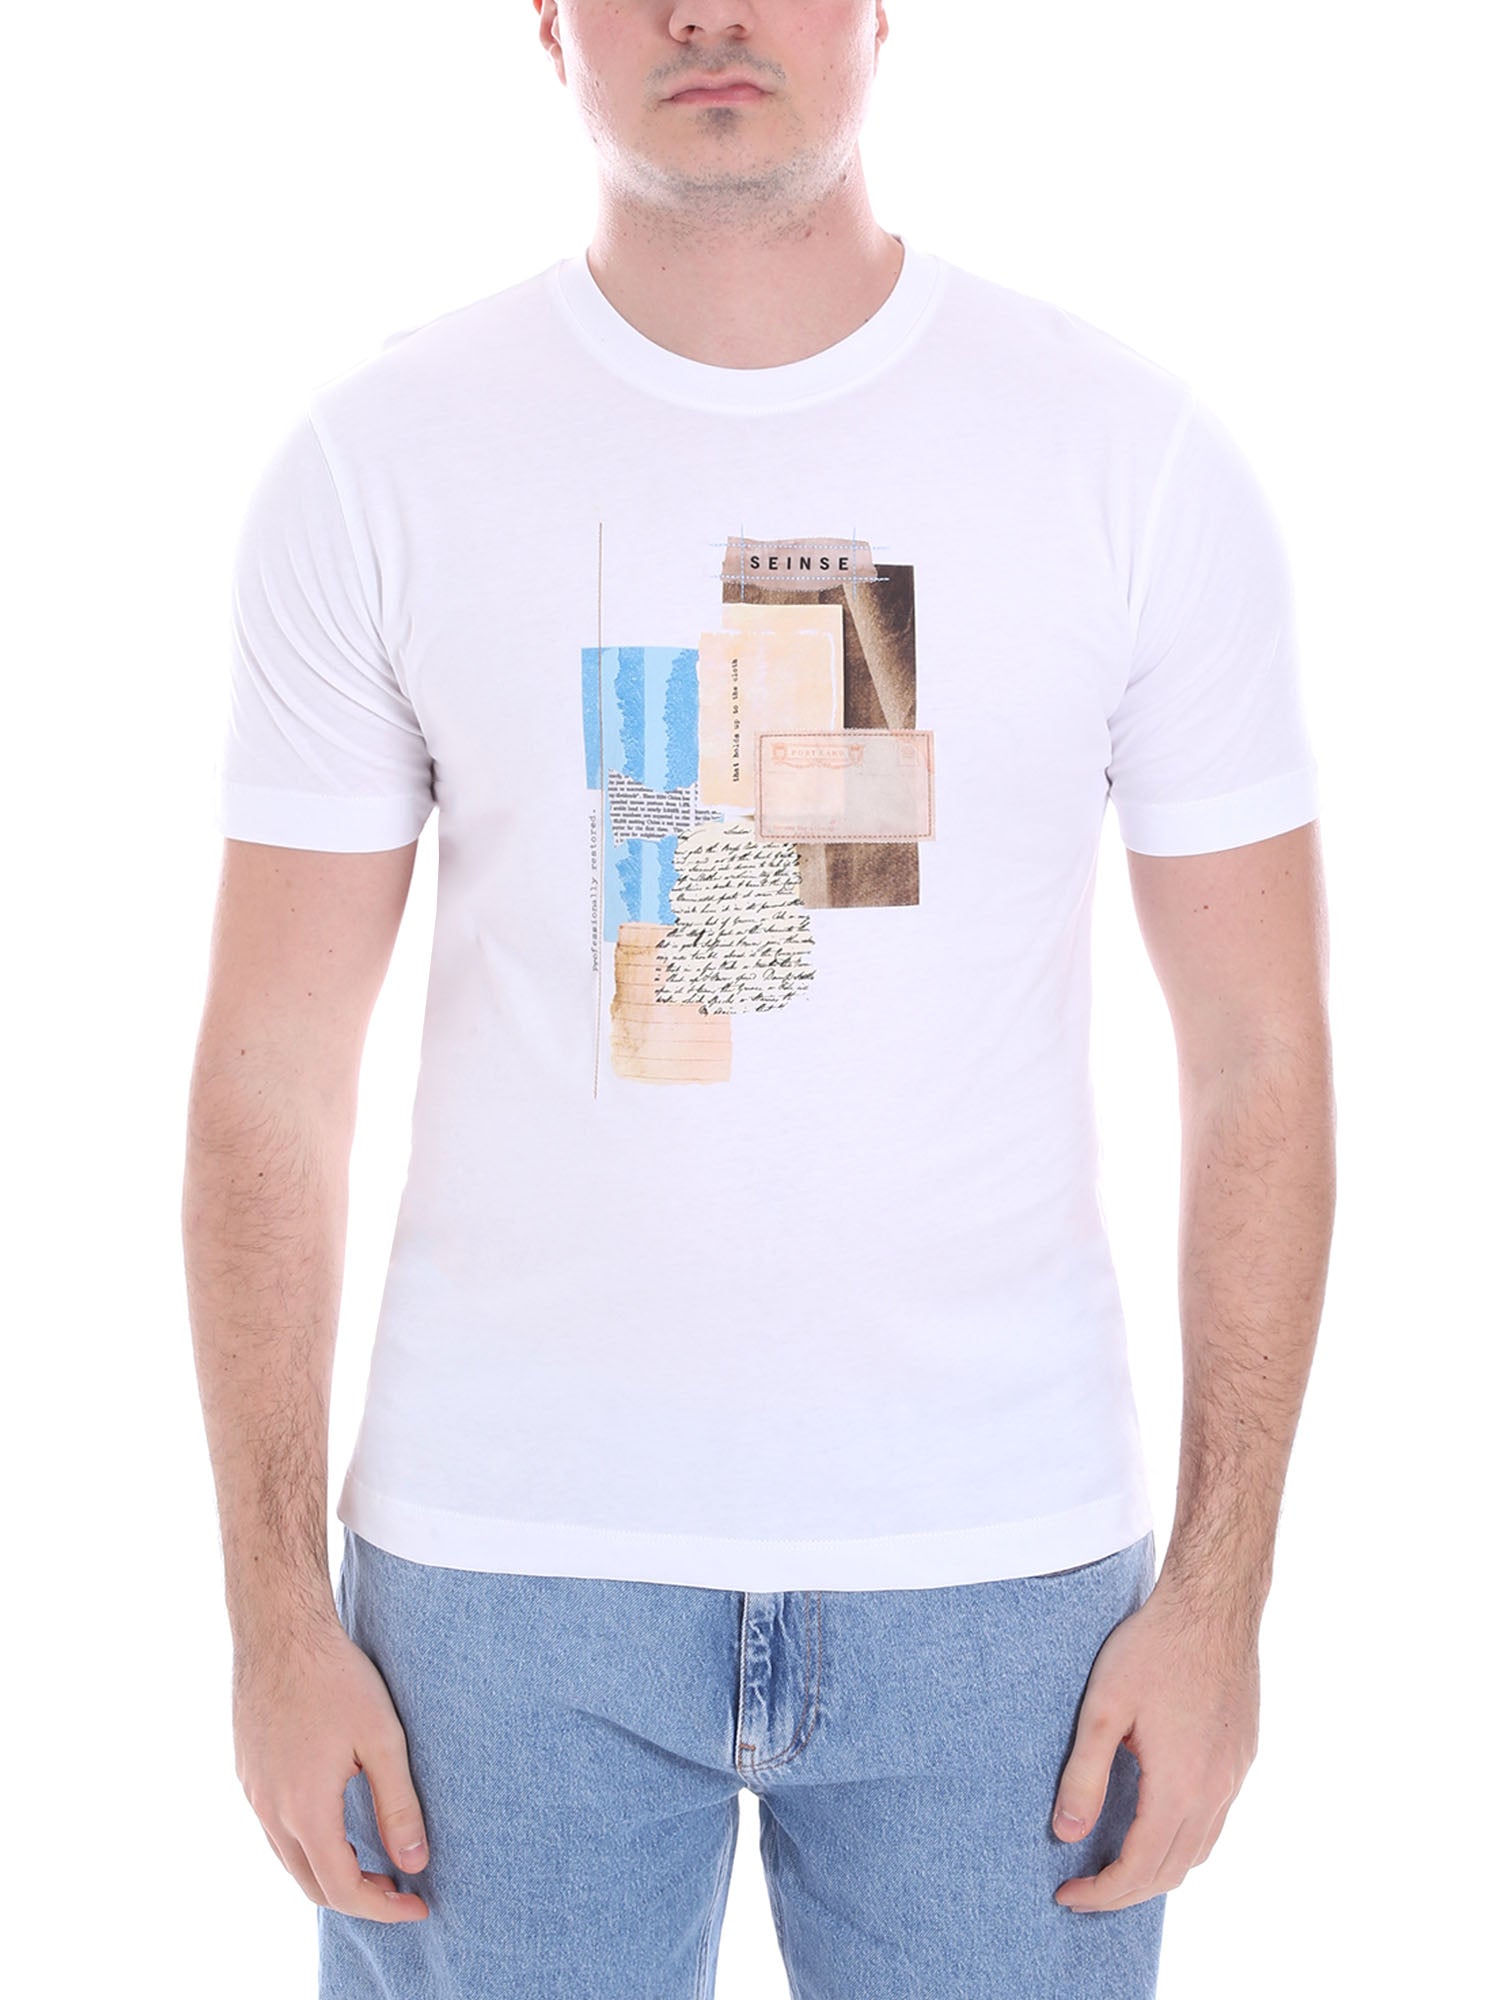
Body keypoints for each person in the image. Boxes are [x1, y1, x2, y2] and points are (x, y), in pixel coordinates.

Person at [181, 4, 1336, 1995]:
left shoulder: (1128, 459)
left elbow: (1261, 1056)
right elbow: (270, 1071)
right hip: (499, 1585)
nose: (708, 12)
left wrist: (1223, 1598)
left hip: (1002, 1586)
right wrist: (275, 1617)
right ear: (546, 20)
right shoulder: (381, 461)